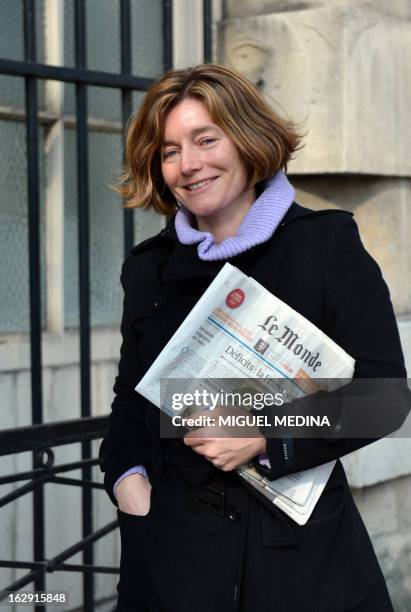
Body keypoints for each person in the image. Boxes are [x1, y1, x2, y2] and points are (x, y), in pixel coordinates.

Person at [99, 64, 409, 612]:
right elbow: (131, 399)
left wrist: (268, 434)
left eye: (205, 139)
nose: (188, 165)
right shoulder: (148, 269)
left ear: (246, 139)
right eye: (170, 151)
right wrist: (126, 479)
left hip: (298, 567)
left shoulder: (326, 245)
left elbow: (384, 398)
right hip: (171, 560)